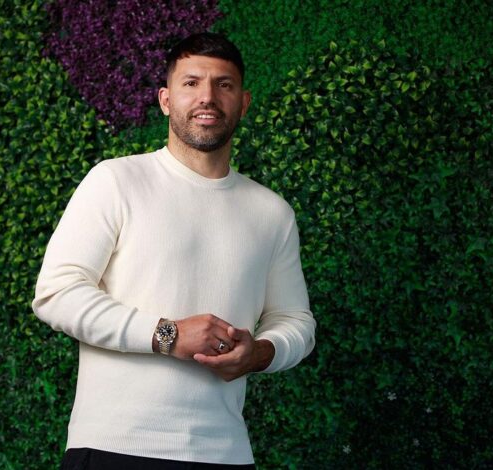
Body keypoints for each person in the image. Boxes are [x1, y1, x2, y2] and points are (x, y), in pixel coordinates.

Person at [32, 32, 316, 469]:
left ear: (244, 103)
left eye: (224, 84)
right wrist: (168, 335)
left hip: (225, 454)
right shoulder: (116, 181)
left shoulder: (272, 212)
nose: (207, 97)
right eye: (191, 83)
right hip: (114, 446)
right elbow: (57, 293)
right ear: (165, 100)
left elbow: (296, 321)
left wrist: (261, 353)